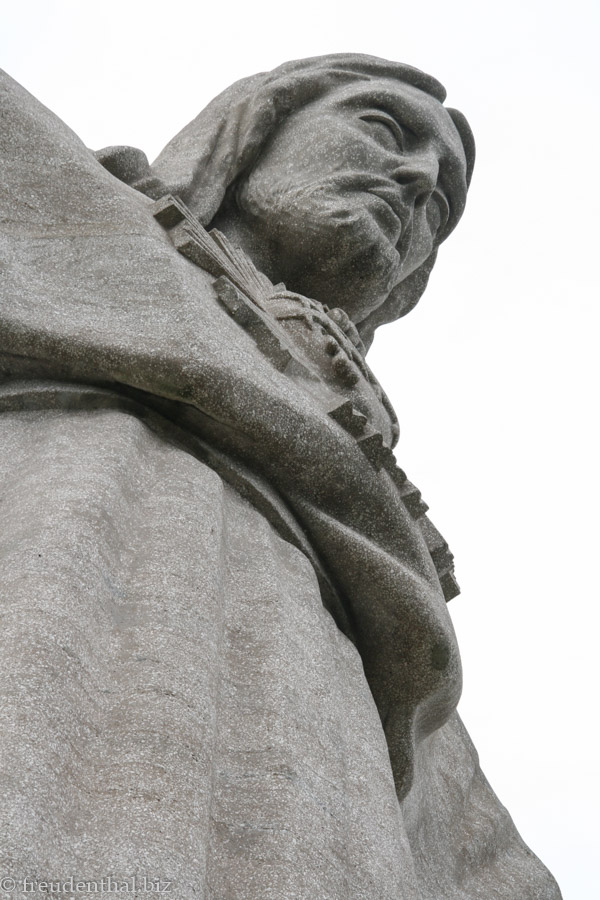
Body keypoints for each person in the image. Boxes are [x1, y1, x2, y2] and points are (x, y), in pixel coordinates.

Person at [0, 55, 561, 898]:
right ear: (254, 131)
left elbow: (475, 852)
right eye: (382, 129)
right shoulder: (71, 222)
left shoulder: (391, 556)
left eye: (439, 201)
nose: (413, 181)